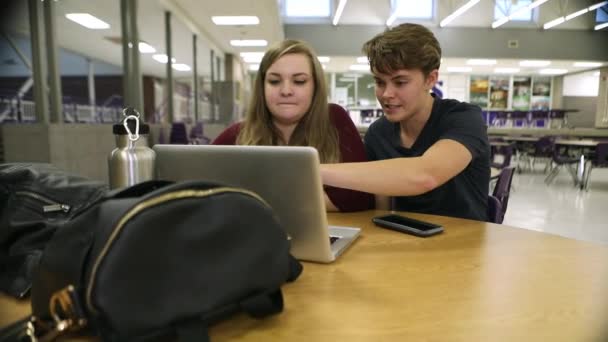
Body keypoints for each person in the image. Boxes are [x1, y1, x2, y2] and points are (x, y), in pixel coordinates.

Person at [319, 23, 490, 221]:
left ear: (430, 79)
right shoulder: (378, 133)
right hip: (405, 242)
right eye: (380, 82)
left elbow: (426, 175)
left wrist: (313, 170)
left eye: (400, 82)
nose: (386, 94)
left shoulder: (464, 118)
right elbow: (380, 209)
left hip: (465, 245)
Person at [213, 39, 373, 212]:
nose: (286, 91)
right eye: (274, 81)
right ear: (262, 87)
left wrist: (257, 197)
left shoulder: (334, 120)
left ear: (315, 87)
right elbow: (195, 186)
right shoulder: (239, 134)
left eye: (299, 81)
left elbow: (361, 197)